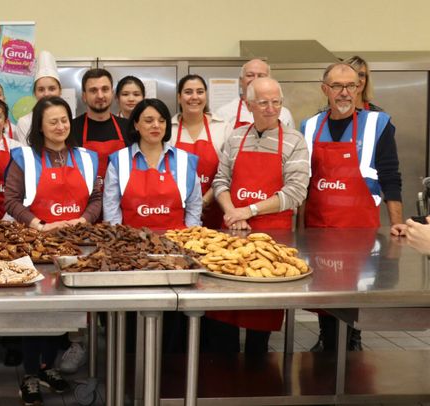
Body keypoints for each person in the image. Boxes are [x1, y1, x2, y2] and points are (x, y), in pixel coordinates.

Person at [300, 62, 405, 352]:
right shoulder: (309, 127)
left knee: (355, 288)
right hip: (319, 228)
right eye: (337, 86)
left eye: (351, 86)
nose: (344, 93)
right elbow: (302, 184)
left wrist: (396, 223)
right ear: (325, 90)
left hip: (359, 230)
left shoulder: (378, 124)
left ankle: (352, 341)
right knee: (322, 290)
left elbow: (390, 176)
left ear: (359, 88)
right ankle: (327, 339)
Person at [4, 96, 101, 405]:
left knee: (62, 311)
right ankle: (31, 373)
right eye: (53, 122)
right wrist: (38, 224)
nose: (60, 127)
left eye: (64, 120)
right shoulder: (24, 158)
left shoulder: (87, 157)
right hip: (37, 247)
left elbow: (97, 198)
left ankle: (48, 367)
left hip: (76, 245)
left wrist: (83, 219)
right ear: (40, 127)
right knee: (35, 312)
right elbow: (11, 200)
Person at [207, 77, 310, 354]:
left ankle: (256, 380)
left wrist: (249, 210)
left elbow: (296, 192)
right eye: (263, 102)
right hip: (231, 237)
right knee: (223, 318)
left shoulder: (294, 140)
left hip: (271, 243)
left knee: (260, 323)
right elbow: (221, 180)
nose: (271, 108)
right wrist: (231, 212)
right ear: (249, 104)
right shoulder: (237, 136)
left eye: (276, 102)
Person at [103, 98, 201, 228]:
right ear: (136, 125)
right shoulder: (119, 161)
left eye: (161, 121)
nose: (156, 125)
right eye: (149, 121)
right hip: (131, 244)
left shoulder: (184, 160)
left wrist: (190, 238)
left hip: (177, 244)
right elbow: (111, 209)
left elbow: (194, 206)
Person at [170, 74, 232, 228]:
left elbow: (229, 171)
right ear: (179, 97)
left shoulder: (223, 127)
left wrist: (203, 201)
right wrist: (189, 205)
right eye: (188, 92)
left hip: (216, 207)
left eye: (200, 91)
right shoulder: (168, 129)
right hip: (177, 208)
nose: (194, 97)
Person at [73, 68, 132, 177]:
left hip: (120, 193)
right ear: (84, 96)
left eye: (105, 89)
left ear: (112, 93)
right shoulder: (71, 129)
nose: (100, 96)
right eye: (93, 90)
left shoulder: (128, 127)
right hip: (86, 193)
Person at [214, 59, 295, 129]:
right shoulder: (224, 113)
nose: (255, 79)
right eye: (250, 75)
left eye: (261, 75)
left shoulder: (284, 114)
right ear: (241, 81)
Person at [17, 51, 62, 135]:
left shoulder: (67, 121)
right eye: (41, 89)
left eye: (52, 89)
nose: (46, 94)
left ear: (60, 91)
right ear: (34, 93)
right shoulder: (24, 123)